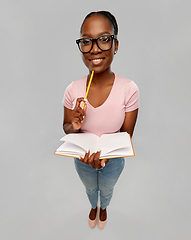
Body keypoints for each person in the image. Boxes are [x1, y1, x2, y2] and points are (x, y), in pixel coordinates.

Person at [62, 11, 139, 229]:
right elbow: (67, 128)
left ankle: (103, 207)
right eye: (86, 41)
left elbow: (126, 136)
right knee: (89, 189)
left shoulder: (129, 89)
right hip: (82, 159)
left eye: (104, 39)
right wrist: (74, 125)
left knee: (106, 190)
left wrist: (105, 157)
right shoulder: (73, 89)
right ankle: (93, 207)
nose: (94, 48)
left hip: (113, 161)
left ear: (115, 45)